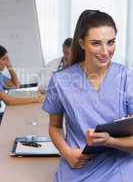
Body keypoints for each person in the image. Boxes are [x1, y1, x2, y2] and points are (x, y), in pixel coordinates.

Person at [42, 10, 133, 182]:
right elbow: (54, 126)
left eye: (111, 42)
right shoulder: (61, 80)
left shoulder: (128, 78)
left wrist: (109, 141)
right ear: (82, 43)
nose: (106, 51)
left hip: (120, 164)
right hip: (79, 165)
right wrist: (67, 153)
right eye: (96, 43)